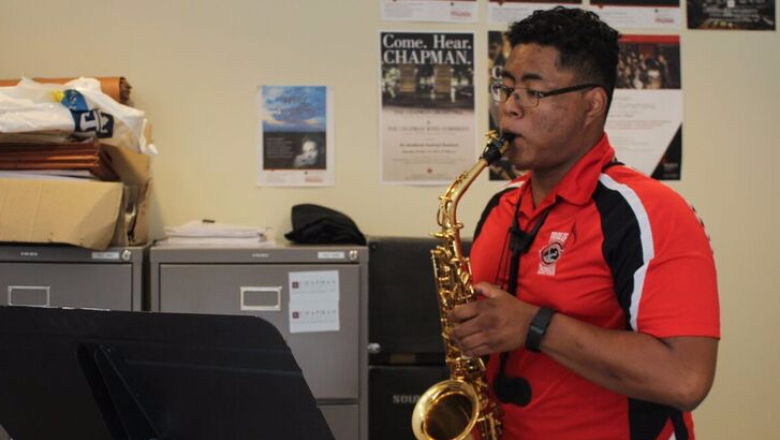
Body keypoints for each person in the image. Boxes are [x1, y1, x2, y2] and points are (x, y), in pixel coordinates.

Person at [448, 7, 719, 440]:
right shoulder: (500, 208)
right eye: (506, 88)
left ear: (592, 104)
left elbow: (685, 379)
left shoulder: (651, 212)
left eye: (533, 93)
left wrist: (534, 326)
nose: (510, 109)